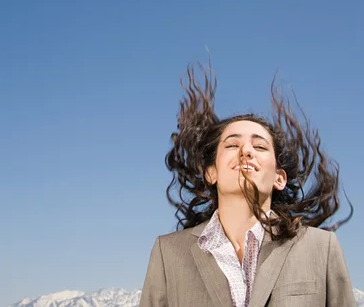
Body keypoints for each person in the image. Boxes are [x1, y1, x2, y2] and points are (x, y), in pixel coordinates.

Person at [140, 64, 355, 307]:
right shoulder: (167, 253)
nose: (246, 151)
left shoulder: (321, 248)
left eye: (260, 147)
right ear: (211, 173)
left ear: (279, 178)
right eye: (232, 145)